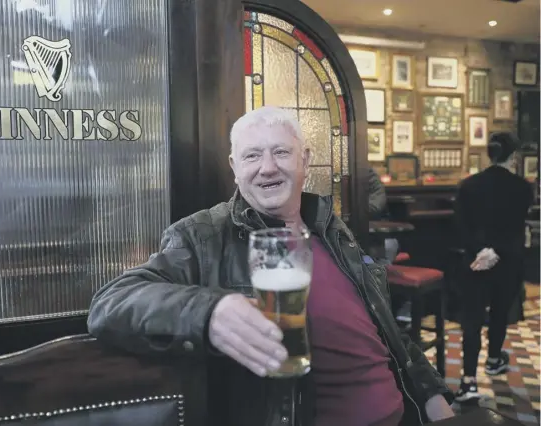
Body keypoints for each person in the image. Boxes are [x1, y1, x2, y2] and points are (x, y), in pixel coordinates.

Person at [87, 106, 454, 426]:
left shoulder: (330, 227)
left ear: (305, 160)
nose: (267, 168)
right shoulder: (204, 235)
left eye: (281, 152)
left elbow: (383, 327)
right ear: (234, 168)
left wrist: (432, 396)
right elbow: (110, 303)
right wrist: (209, 312)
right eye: (251, 156)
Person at [453, 132, 534, 402]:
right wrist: (497, 251)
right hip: (508, 260)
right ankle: (494, 359)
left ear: (490, 153)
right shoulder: (523, 188)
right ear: (513, 156)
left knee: (472, 320)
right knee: (499, 312)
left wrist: (481, 250)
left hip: (475, 260)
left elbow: (461, 227)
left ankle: (468, 381)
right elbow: (515, 228)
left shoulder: (468, 185)